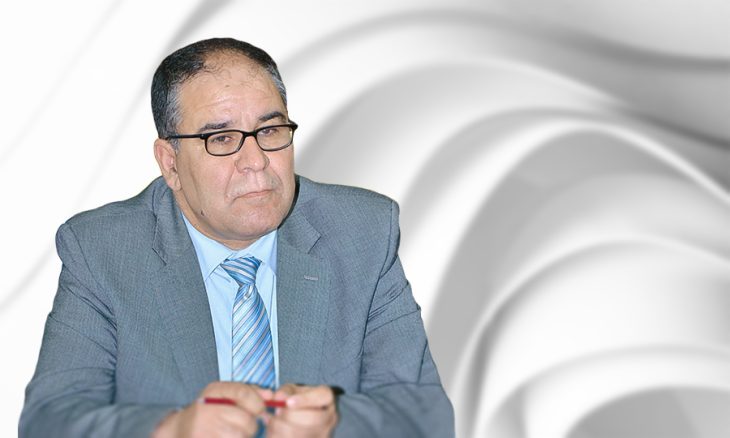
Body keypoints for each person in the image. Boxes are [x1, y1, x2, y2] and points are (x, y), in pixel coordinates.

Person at [19, 37, 454, 437]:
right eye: (222, 138)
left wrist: (335, 423)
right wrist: (173, 430)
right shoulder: (103, 251)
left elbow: (425, 415)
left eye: (270, 131)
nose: (256, 160)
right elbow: (49, 421)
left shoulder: (363, 232)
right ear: (170, 163)